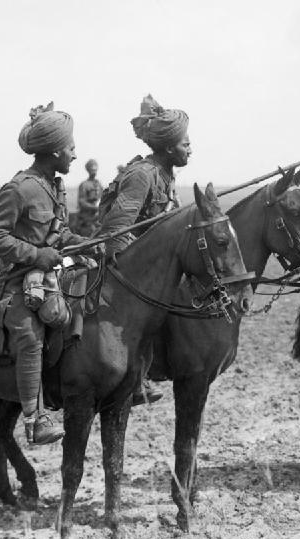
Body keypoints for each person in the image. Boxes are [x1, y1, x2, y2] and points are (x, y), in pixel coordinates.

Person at [0, 102, 94, 445]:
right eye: (72, 148)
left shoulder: (54, 186)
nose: (75, 154)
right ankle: (34, 419)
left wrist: (89, 243)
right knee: (30, 336)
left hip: (48, 275)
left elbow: (59, 234)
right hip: (13, 280)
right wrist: (36, 254)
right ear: (56, 150)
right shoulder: (20, 188)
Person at [96, 94, 190, 404]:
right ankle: (137, 374)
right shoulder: (142, 175)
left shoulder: (165, 176)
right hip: (128, 266)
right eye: (184, 143)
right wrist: (139, 270)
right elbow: (117, 229)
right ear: (167, 147)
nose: (190, 148)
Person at [74, 159, 104, 235]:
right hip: (87, 220)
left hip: (98, 218)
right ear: (88, 170)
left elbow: (103, 197)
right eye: (92, 169)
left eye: (95, 169)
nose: (94, 171)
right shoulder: (84, 185)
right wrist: (95, 207)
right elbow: (82, 202)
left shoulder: (99, 184)